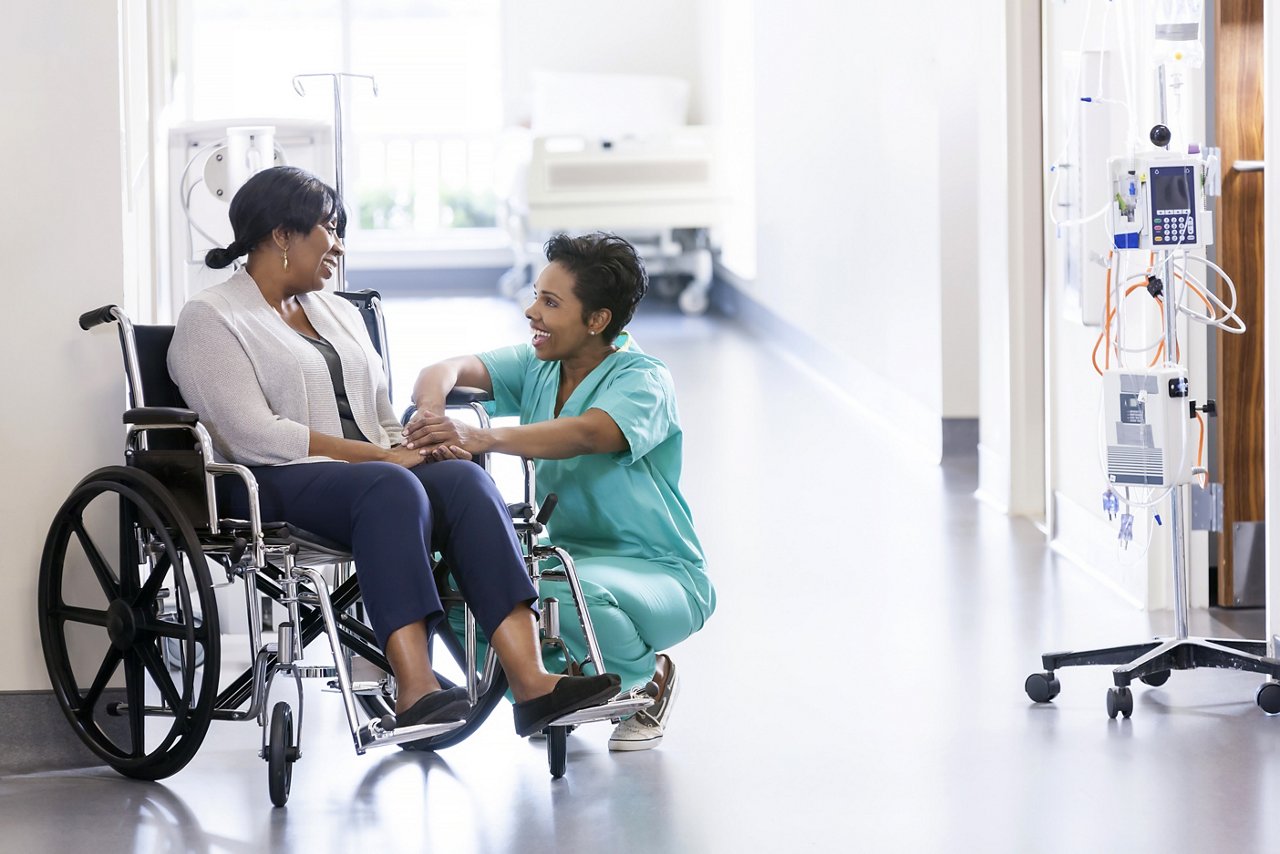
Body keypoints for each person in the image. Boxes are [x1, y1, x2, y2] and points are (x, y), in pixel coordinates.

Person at [167, 166, 619, 738]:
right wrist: (384, 460)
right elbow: (252, 433)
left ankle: (531, 683)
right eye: (328, 229)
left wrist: (417, 446)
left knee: (465, 480)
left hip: (369, 476)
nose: (338, 245)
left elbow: (379, 412)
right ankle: (415, 688)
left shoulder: (337, 310)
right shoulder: (211, 317)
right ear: (282, 235)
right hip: (266, 479)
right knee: (392, 486)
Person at [404, 232, 715, 751]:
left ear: (597, 320)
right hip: (567, 559)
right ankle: (549, 693)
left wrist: (481, 437)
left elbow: (590, 433)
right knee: (449, 582)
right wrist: (432, 414)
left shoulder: (644, 379)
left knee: (554, 591)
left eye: (550, 303)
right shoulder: (539, 363)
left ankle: (647, 677)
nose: (532, 312)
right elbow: (443, 369)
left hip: (658, 569)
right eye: (535, 296)